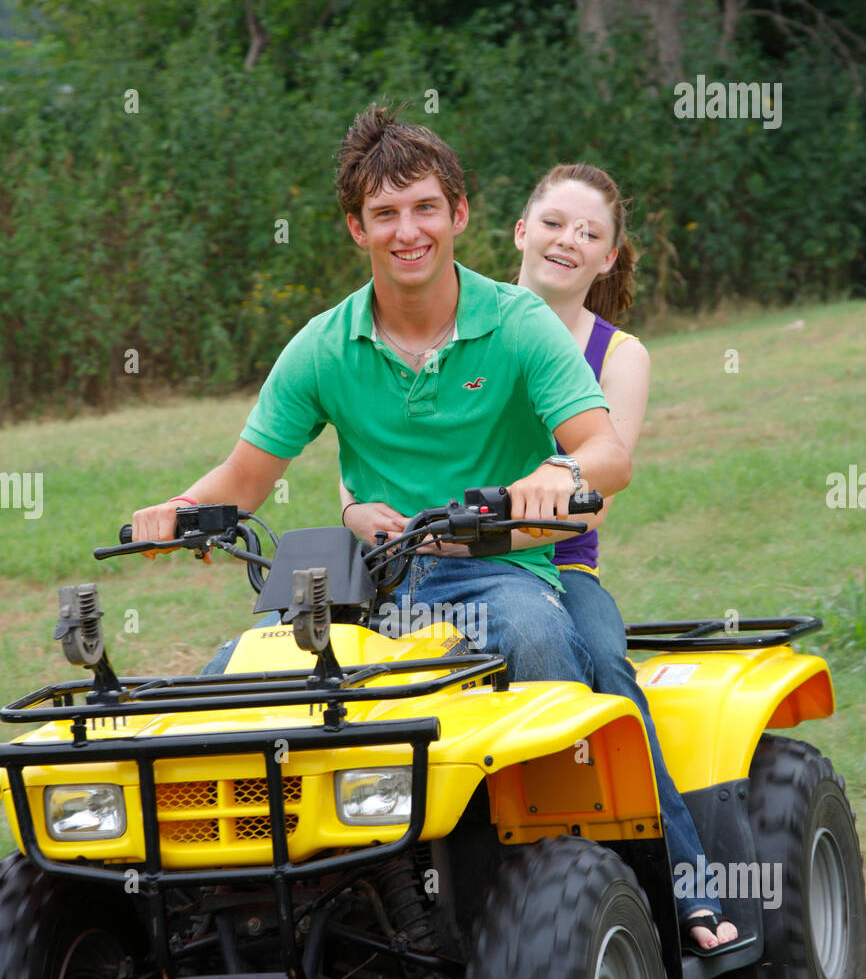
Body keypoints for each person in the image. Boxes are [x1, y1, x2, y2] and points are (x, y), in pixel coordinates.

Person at [341, 160, 738, 953]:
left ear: (608, 259)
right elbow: (387, 458)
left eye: (590, 233)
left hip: (558, 565)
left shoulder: (614, 353)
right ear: (520, 231)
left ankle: (684, 881)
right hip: (429, 563)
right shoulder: (457, 321)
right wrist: (359, 512)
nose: (568, 240)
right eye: (554, 222)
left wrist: (499, 522)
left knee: (605, 669)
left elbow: (600, 480)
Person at [132, 103, 630, 705]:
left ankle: (562, 798)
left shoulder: (520, 323)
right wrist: (180, 508)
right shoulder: (323, 347)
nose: (408, 231)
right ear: (357, 228)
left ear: (459, 214)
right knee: (235, 681)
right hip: (367, 580)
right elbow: (243, 479)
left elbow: (608, 454)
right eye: (385, 214)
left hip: (500, 575)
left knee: (536, 640)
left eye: (425, 207)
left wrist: (561, 469)